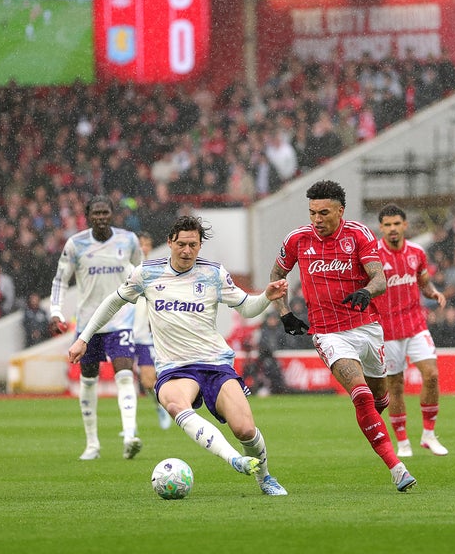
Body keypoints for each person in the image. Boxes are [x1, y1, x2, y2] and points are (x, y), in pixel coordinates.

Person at [68, 215, 289, 496]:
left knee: (245, 429)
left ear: (200, 245)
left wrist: (266, 297)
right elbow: (112, 302)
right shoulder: (147, 273)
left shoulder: (213, 274)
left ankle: (265, 478)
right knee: (174, 403)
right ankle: (232, 458)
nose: (187, 251)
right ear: (170, 242)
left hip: (214, 363)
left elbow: (247, 308)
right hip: (175, 367)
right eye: (181, 244)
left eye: (193, 245)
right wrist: (84, 338)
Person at [269, 180, 417, 492]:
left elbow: (379, 278)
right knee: (361, 395)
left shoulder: (358, 234)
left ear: (341, 211)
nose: (316, 220)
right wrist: (283, 312)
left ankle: (373, 416)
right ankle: (397, 468)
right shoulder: (297, 239)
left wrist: (366, 291)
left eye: (323, 213)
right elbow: (276, 276)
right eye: (312, 213)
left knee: (378, 399)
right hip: (328, 333)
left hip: (367, 328)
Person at [50, 196, 144, 461]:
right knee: (88, 381)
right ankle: (92, 443)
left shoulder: (128, 240)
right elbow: (60, 280)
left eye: (106, 213)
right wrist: (56, 311)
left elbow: (141, 272)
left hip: (121, 320)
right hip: (88, 325)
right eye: (96, 213)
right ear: (88, 216)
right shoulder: (76, 244)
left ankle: (129, 436)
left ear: (112, 214)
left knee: (125, 375)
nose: (101, 217)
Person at [373, 203, 448, 458]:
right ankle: (403, 442)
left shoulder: (417, 252)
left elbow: (424, 284)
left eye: (397, 224)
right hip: (387, 331)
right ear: (381, 228)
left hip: (415, 325)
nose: (393, 229)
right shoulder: (373, 256)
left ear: (405, 225)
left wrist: (433, 293)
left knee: (432, 375)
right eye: (388, 225)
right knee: (395, 386)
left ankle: (428, 434)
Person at [133, 232, 171, 432]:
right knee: (123, 378)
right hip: (122, 330)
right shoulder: (128, 269)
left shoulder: (155, 271)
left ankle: (158, 406)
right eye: (141, 244)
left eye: (147, 244)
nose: (144, 247)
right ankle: (130, 426)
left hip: (142, 334)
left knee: (148, 381)